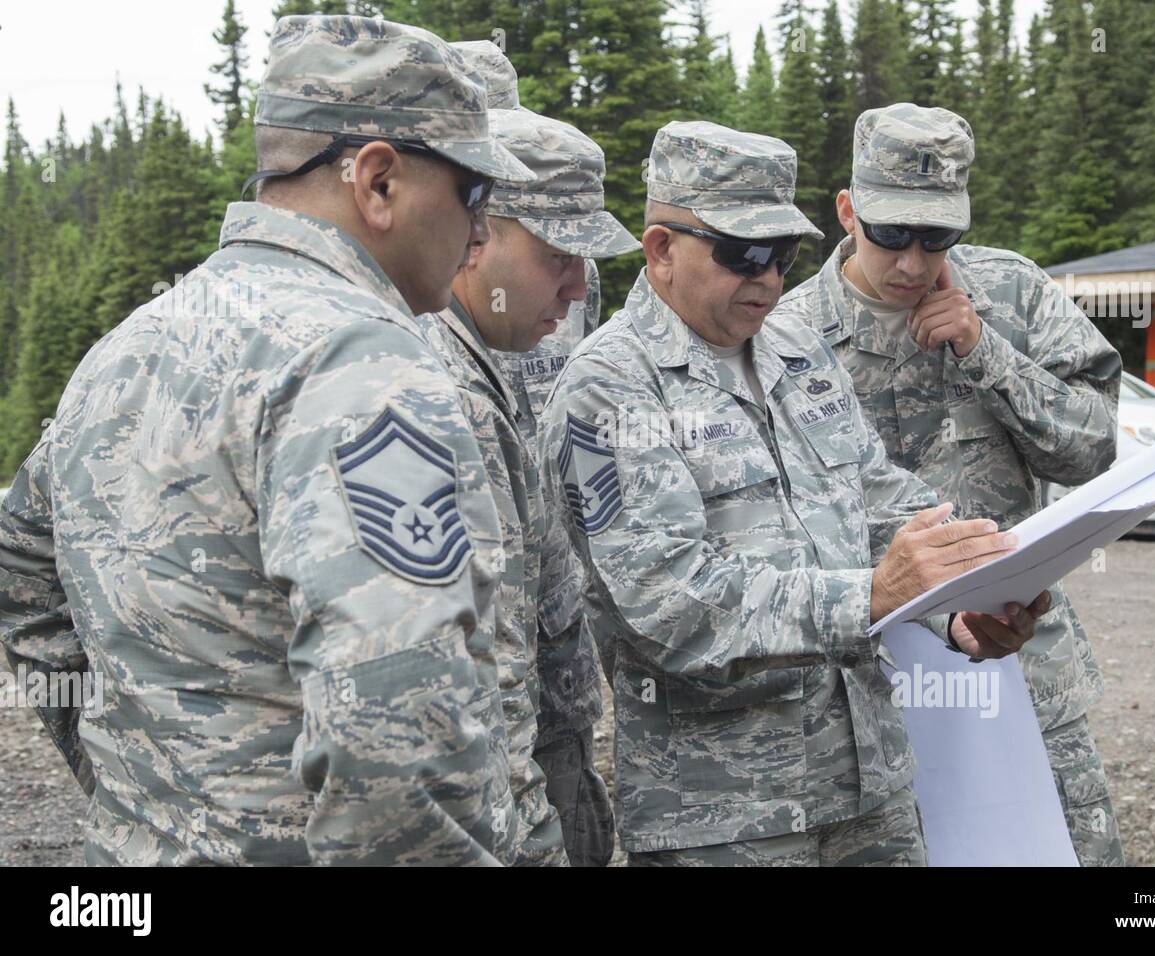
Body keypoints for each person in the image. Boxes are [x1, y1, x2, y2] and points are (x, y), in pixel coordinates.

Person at [0, 13, 537, 865]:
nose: (481, 231)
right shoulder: (362, 360)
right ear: (379, 181)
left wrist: (136, 769)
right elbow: (397, 736)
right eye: (473, 194)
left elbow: (23, 569)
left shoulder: (125, 346)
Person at [538, 120, 1050, 866]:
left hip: (870, 790)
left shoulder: (793, 348)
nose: (770, 279)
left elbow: (876, 498)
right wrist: (870, 597)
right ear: (660, 250)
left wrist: (964, 595)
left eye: (782, 254)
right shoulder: (610, 387)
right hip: (727, 818)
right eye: (743, 254)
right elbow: (668, 606)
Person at [772, 102, 1125, 865]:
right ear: (847, 210)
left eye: (937, 238)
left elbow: (1093, 449)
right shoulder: (783, 332)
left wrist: (984, 349)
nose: (911, 262)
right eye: (891, 234)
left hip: (1016, 657)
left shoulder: (1015, 295)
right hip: (866, 693)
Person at [428, 105, 638, 865]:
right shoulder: (433, 390)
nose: (581, 289)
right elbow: (479, 682)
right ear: (476, 232)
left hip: (555, 763)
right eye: (558, 255)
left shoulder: (488, 356)